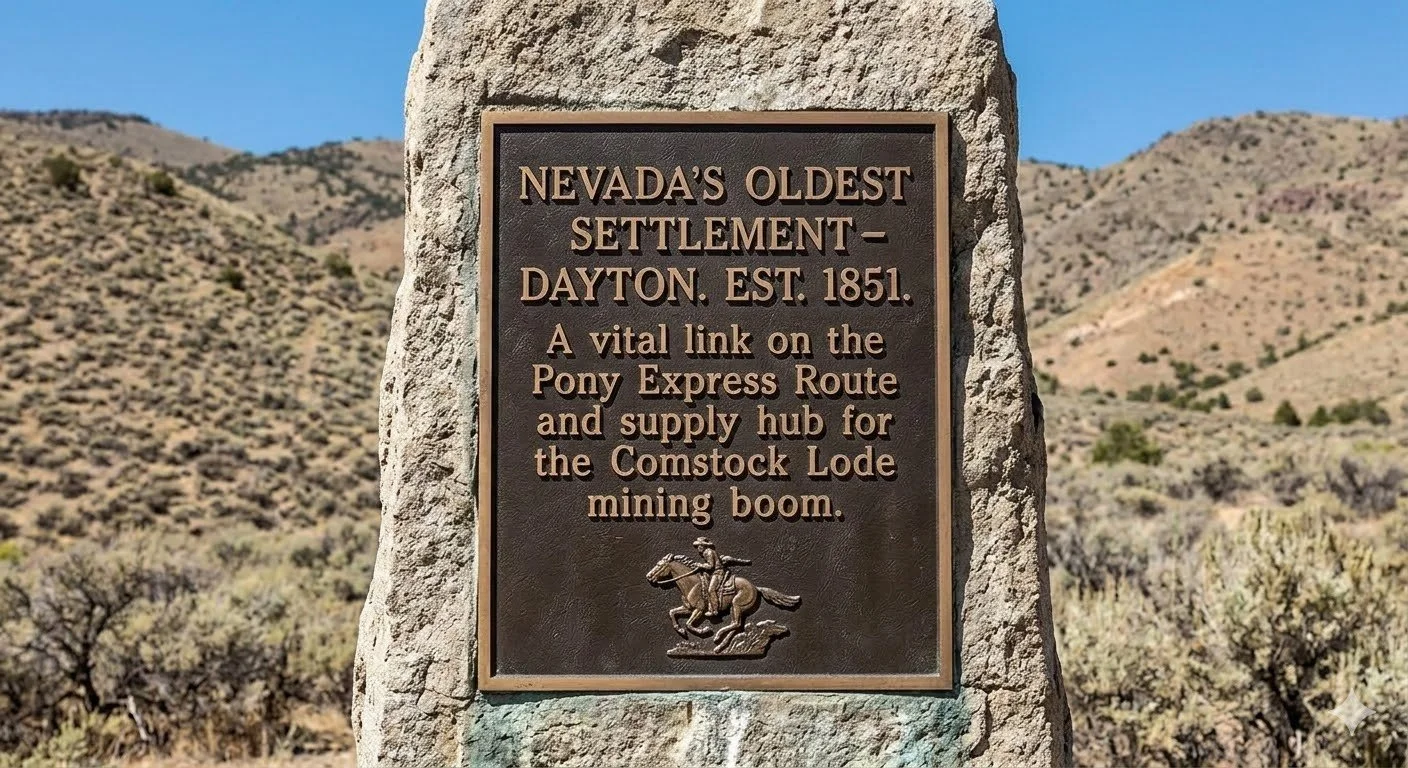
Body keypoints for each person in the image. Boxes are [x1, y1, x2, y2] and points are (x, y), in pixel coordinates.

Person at [692, 537, 750, 617]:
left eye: (699, 546)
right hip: (712, 573)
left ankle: (714, 610)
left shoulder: (708, 552)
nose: (698, 548)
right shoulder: (706, 552)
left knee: (711, 590)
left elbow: (710, 566)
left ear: (703, 546)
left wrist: (700, 565)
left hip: (718, 572)